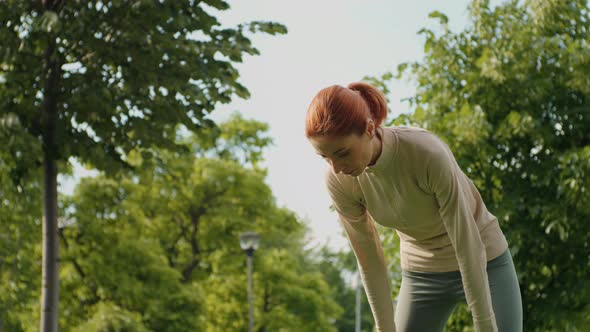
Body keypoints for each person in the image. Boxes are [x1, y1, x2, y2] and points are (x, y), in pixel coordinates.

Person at [305, 82, 523, 332]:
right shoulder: (338, 180)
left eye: (342, 153)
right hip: (422, 274)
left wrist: (485, 324)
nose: (336, 167)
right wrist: (384, 328)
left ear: (369, 128)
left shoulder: (425, 153)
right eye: (325, 157)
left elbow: (466, 238)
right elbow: (369, 258)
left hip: (485, 261)